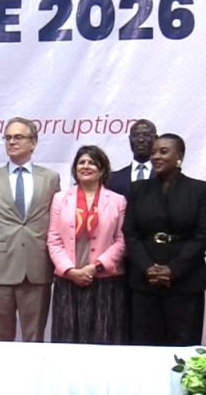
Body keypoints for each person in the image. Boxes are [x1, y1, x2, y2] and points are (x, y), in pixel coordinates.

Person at [0, 117, 60, 342]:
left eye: (18, 137)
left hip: (37, 269)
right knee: (2, 340)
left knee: (34, 338)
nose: (12, 142)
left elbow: (57, 225)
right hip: (0, 271)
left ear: (34, 142)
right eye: (8, 137)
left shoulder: (50, 178)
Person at [123, 133, 206, 346]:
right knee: (145, 347)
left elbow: (202, 236)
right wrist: (147, 267)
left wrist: (173, 270)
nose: (156, 156)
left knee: (183, 348)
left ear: (179, 157)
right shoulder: (138, 189)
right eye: (153, 152)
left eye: (163, 151)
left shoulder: (199, 190)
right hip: (144, 283)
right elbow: (130, 233)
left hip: (186, 282)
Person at [47, 145, 128, 344]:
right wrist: (70, 270)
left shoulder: (118, 201)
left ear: (102, 169)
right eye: (81, 162)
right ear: (75, 168)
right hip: (69, 280)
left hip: (104, 280)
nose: (86, 166)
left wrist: (95, 267)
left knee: (103, 339)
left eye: (92, 163)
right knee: (68, 339)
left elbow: (121, 240)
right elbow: (54, 238)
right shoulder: (60, 198)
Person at [107, 119, 157, 197]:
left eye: (146, 135)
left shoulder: (167, 177)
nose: (140, 139)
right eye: (136, 135)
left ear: (156, 138)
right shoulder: (113, 179)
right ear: (130, 139)